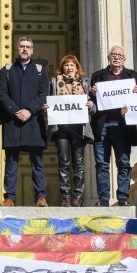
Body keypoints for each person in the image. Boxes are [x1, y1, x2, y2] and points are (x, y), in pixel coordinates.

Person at [0, 37, 50, 207]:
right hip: (12, 122)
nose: (25, 49)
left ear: (32, 50)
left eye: (28, 47)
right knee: (11, 162)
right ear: (17, 49)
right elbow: (2, 94)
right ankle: (9, 197)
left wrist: (29, 110)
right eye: (22, 47)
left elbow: (43, 94)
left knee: (37, 161)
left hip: (34, 122)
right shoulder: (6, 70)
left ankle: (41, 196)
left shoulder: (40, 70)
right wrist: (14, 110)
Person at [89, 45, 137, 207]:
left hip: (123, 126)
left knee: (123, 162)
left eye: (120, 55)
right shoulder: (97, 76)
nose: (116, 57)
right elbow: (92, 101)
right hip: (102, 125)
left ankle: (123, 197)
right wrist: (92, 93)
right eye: (113, 55)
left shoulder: (132, 76)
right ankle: (104, 198)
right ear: (108, 57)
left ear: (124, 59)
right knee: (102, 163)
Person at [46, 55, 93, 207]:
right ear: (62, 68)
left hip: (79, 129)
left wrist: (92, 106)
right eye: (66, 65)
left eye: (73, 65)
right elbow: (47, 104)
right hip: (61, 129)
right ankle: (66, 197)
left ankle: (78, 197)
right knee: (63, 162)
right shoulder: (54, 82)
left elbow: (93, 109)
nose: (69, 67)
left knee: (78, 163)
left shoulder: (85, 83)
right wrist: (44, 108)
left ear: (77, 67)